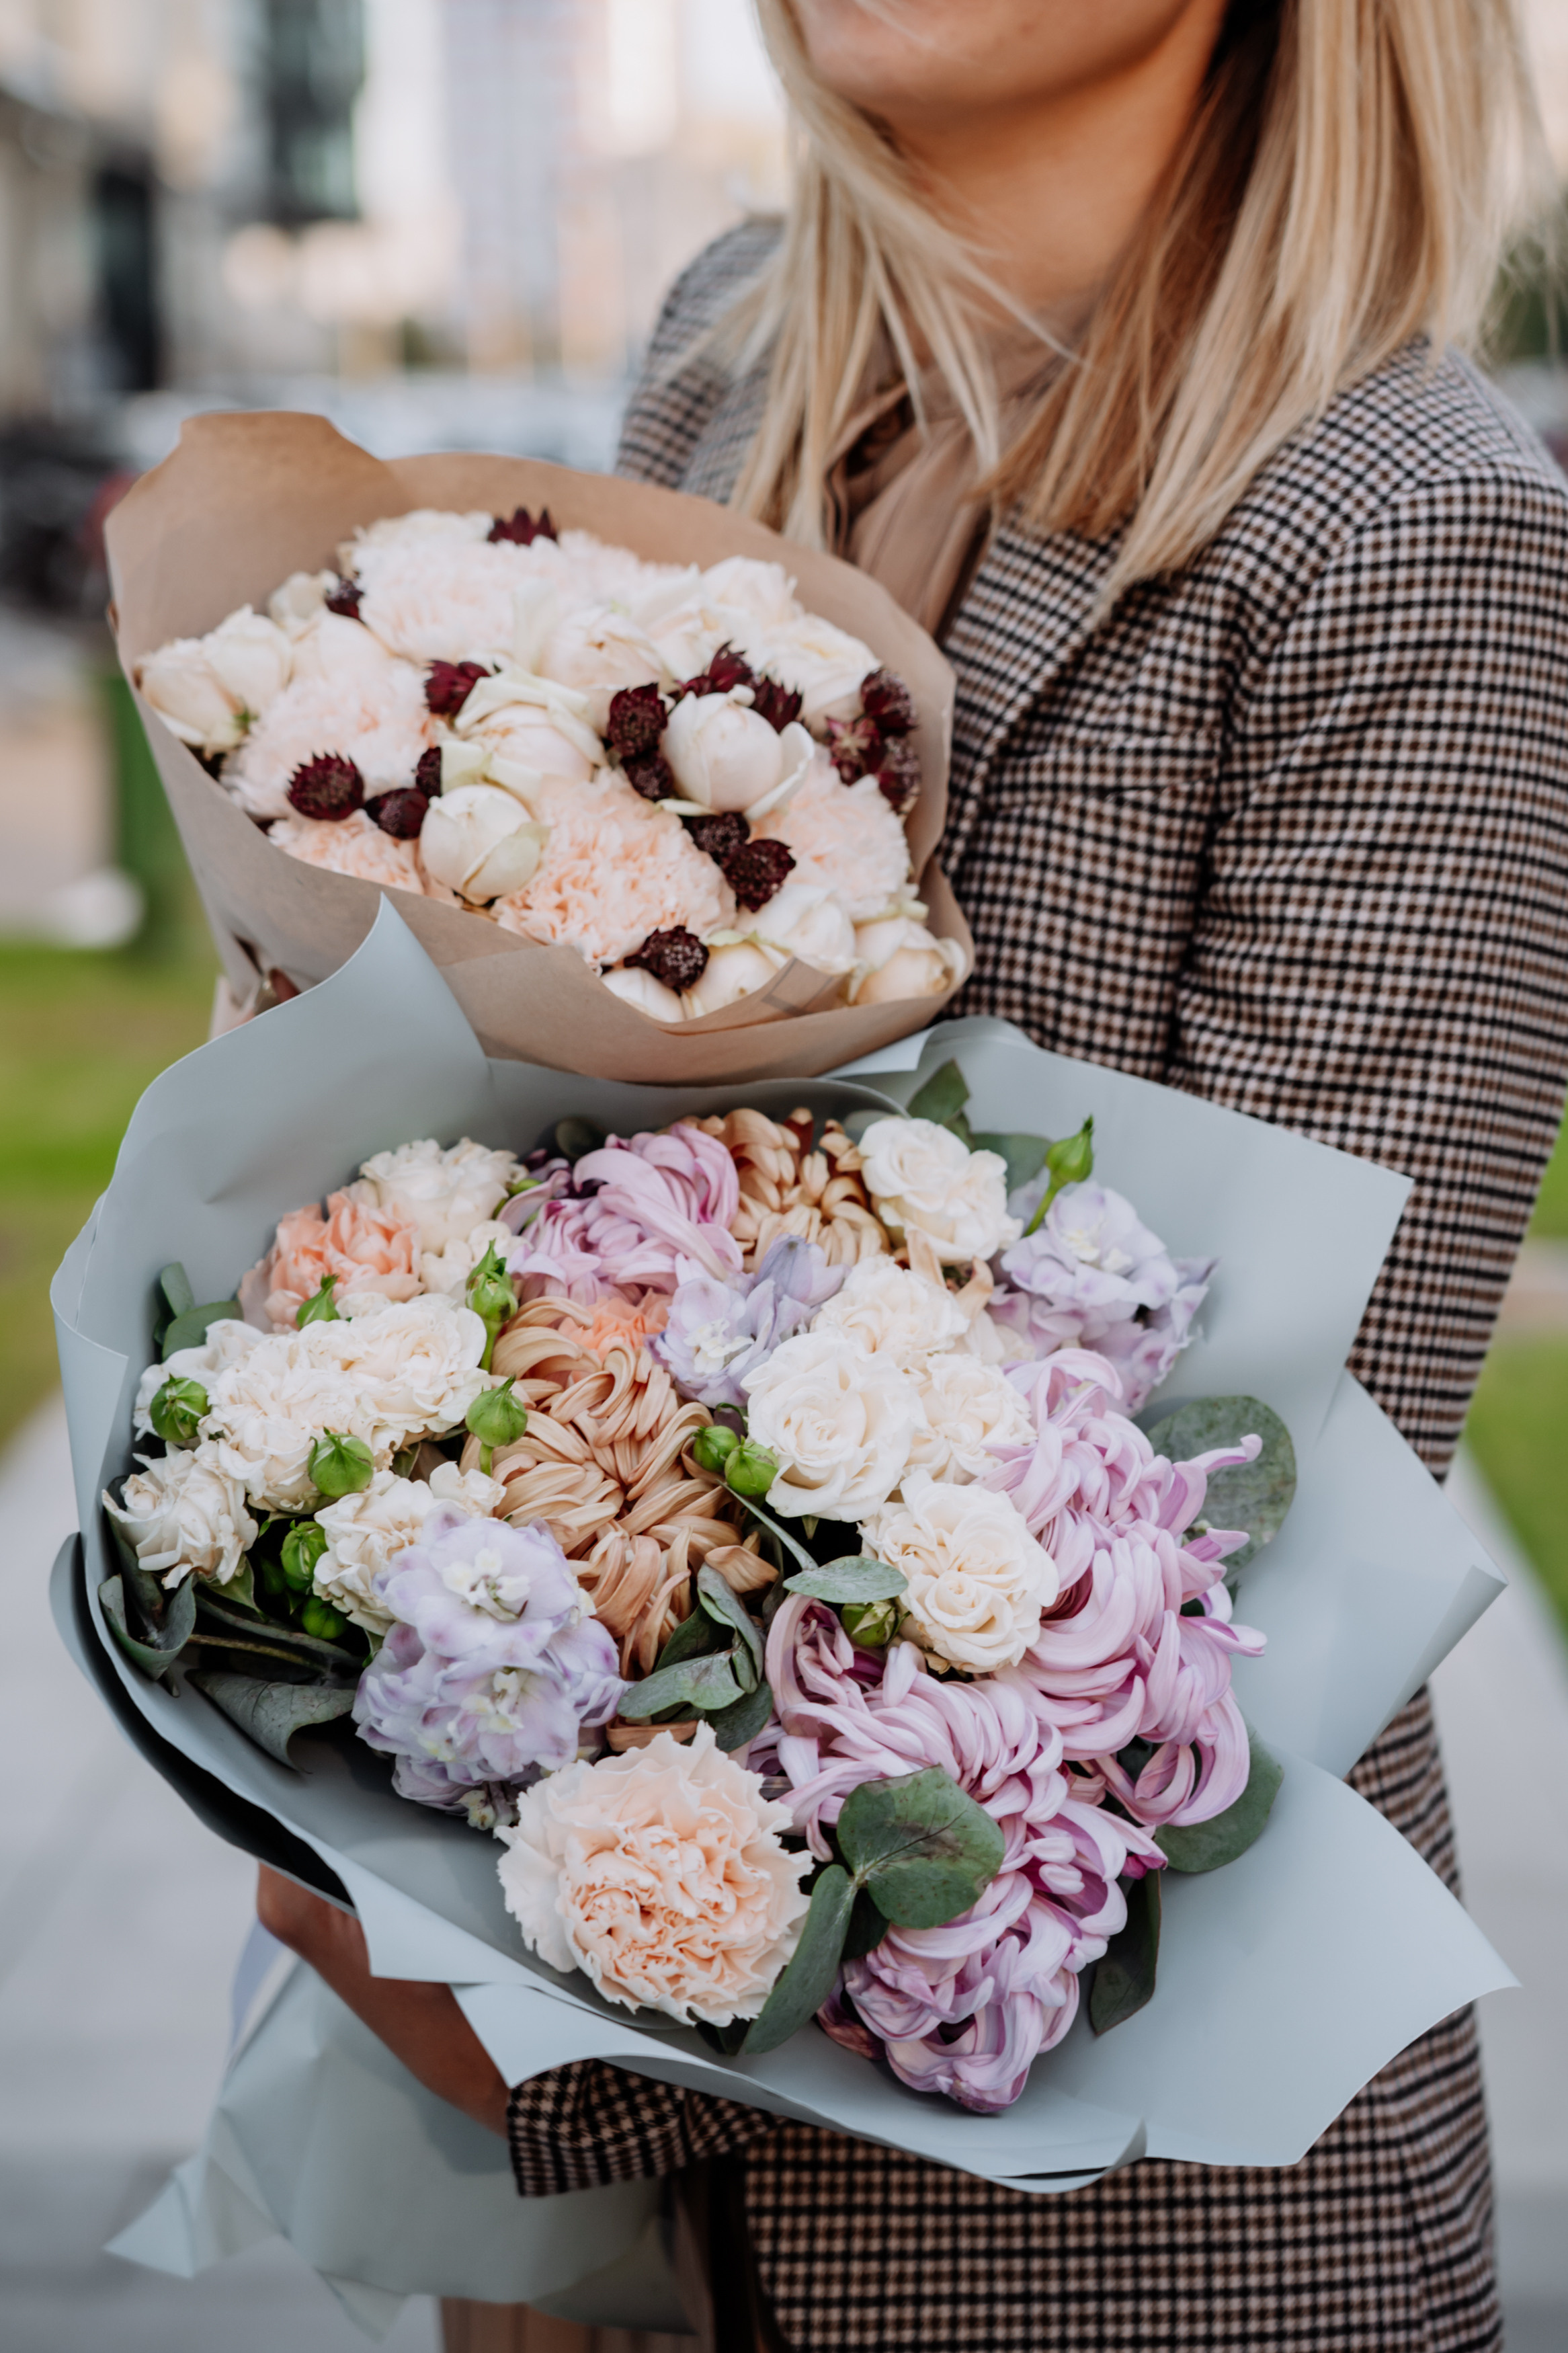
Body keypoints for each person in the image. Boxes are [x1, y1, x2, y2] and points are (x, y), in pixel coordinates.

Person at [259, 2, 1568, 2347]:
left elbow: (1265, 1519)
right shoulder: (727, 360)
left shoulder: (1412, 524)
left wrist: (550, 2040)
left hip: (1097, 2229)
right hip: (584, 2185)